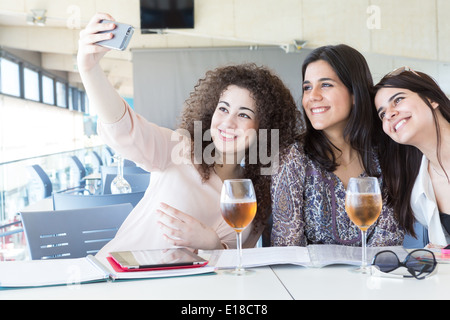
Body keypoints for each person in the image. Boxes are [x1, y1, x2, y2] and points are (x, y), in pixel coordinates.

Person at [77, 13, 303, 259]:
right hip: (118, 277)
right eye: (224, 108)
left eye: (244, 115)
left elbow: (240, 261)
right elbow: (124, 129)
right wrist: (89, 69)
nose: (227, 122)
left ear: (265, 129)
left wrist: (212, 243)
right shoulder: (178, 149)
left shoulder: (253, 193)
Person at [271, 44, 404, 247]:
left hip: (374, 275)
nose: (312, 96)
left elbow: (388, 241)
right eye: (307, 87)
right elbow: (287, 246)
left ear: (354, 93)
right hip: (307, 279)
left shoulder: (387, 153)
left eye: (325, 85)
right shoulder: (293, 157)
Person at [373, 67, 450, 246]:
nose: (389, 114)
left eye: (398, 100)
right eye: (382, 114)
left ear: (431, 99)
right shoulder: (418, 193)